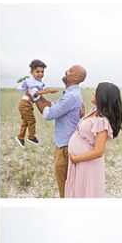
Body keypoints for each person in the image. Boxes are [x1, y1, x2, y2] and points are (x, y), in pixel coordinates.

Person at [63, 82, 122, 198]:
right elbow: (89, 131)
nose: (93, 92)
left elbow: (98, 151)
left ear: (103, 97)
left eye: (96, 91)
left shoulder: (102, 121)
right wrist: (83, 118)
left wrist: (76, 159)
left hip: (86, 163)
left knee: (83, 192)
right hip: (80, 161)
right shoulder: (95, 110)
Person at [36, 65, 87, 197]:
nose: (66, 71)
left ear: (76, 78)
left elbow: (49, 114)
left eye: (70, 71)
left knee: (65, 189)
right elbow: (53, 106)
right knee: (66, 187)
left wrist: (34, 97)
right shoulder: (70, 94)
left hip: (65, 148)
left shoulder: (71, 96)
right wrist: (37, 93)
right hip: (63, 145)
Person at [15, 59, 60, 147]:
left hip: (26, 104)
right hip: (25, 104)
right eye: (37, 72)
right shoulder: (32, 82)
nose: (40, 74)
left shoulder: (37, 82)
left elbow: (41, 91)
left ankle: (20, 137)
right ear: (31, 72)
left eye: (42, 72)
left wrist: (50, 91)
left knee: (25, 121)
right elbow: (35, 92)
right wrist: (47, 91)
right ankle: (31, 137)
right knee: (31, 121)